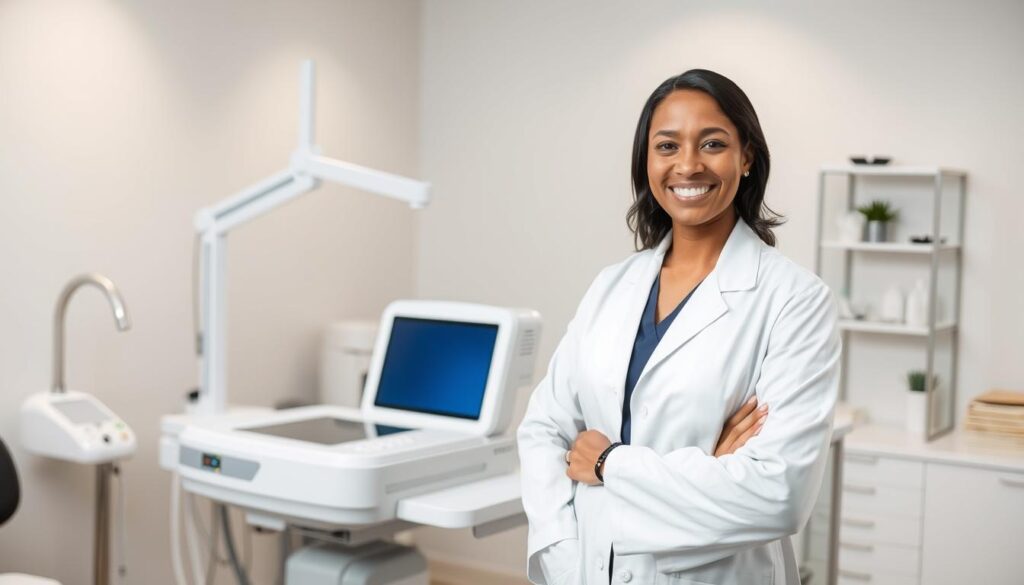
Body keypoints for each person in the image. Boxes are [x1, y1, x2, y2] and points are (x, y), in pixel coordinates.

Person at [517, 69, 841, 585]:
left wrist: (609, 468)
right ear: (646, 160)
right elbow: (545, 431)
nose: (688, 164)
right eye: (667, 145)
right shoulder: (611, 286)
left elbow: (778, 495)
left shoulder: (794, 300)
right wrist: (564, 556)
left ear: (747, 156)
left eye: (712, 143)